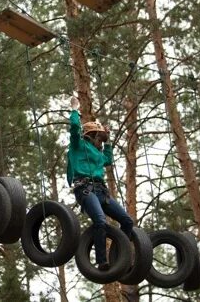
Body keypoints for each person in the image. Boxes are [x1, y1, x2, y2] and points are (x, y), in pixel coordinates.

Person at [67, 95, 134, 271]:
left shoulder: (97, 154)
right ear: (90, 136)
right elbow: (74, 128)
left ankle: (118, 255)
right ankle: (101, 261)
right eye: (99, 138)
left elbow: (107, 160)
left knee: (127, 221)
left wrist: (109, 140)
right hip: (85, 189)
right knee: (100, 221)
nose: (100, 142)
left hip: (101, 192)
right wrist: (74, 110)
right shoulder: (78, 146)